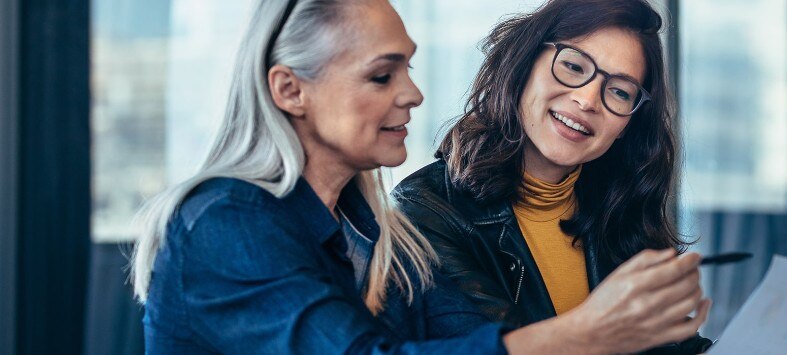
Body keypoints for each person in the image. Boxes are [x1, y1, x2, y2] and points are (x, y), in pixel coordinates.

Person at [130, 0, 707, 353]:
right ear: (290, 89)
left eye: (406, 67)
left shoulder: (377, 234)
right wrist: (589, 333)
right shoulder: (226, 221)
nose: (413, 93)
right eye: (383, 76)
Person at [391, 0, 787, 354]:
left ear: (628, 123)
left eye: (619, 91)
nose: (587, 100)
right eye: (573, 66)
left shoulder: (614, 212)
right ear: (524, 64)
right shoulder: (427, 213)